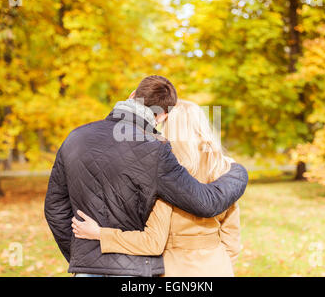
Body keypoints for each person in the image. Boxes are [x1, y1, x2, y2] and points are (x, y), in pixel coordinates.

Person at [44, 75, 248, 277]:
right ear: (163, 116)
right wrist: (237, 173)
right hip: (134, 267)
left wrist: (82, 256)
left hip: (88, 265)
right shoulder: (156, 152)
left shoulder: (75, 138)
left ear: (132, 95)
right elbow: (205, 203)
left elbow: (55, 208)